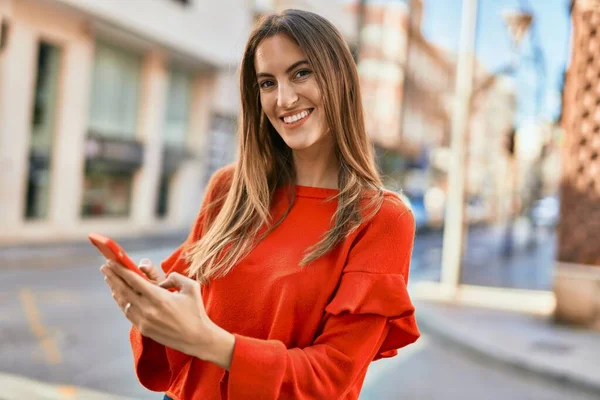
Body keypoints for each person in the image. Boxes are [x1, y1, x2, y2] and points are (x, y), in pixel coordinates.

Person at [100, 9, 420, 400]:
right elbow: (181, 313)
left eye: (301, 73)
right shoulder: (229, 189)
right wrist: (152, 304)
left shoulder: (383, 218)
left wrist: (211, 342)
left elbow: (334, 375)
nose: (284, 99)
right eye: (268, 82)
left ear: (340, 80)